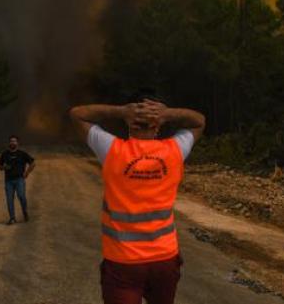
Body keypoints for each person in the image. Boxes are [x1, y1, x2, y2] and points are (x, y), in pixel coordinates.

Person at [69, 94, 205, 304]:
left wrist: (122, 112)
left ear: (129, 125)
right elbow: (199, 121)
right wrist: (167, 114)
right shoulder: (175, 150)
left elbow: (77, 114)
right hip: (165, 258)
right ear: (157, 127)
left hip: (123, 261)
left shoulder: (112, 150)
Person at [0, 135, 35, 224]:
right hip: (8, 181)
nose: (12, 143)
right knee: (9, 199)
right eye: (11, 141)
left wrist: (27, 173)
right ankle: (12, 218)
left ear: (18, 143)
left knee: (21, 196)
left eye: (14, 141)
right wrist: (3, 167)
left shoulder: (22, 154)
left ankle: (25, 212)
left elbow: (33, 163)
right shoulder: (5, 154)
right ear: (9, 143)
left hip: (19, 180)